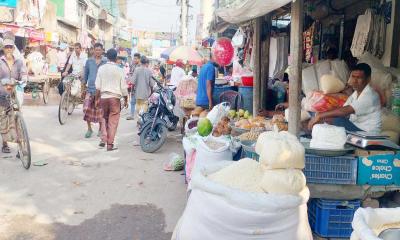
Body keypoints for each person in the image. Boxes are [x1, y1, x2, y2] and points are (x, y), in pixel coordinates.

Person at [308, 63, 381, 133]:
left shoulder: (370, 96)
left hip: (366, 131)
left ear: (368, 79)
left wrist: (320, 116)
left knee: (335, 120)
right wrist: (320, 113)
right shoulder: (355, 94)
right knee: (319, 116)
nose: (354, 81)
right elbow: (342, 109)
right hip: (355, 126)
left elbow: (344, 111)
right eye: (353, 77)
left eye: (359, 78)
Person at [95, 49, 128, 151]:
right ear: (116, 58)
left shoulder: (101, 68)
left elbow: (98, 86)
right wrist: (126, 98)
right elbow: (123, 87)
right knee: (113, 121)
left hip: (104, 97)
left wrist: (96, 99)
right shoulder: (120, 70)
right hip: (115, 98)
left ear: (107, 57)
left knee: (104, 119)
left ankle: (103, 139)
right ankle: (110, 145)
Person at [0, 39, 27, 153]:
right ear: (3, 49)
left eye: (11, 47)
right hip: (2, 94)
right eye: (7, 47)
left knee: (18, 120)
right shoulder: (0, 62)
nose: (9, 49)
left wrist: (24, 79)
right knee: (3, 121)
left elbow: (23, 73)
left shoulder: (19, 62)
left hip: (15, 94)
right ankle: (5, 143)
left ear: (13, 48)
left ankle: (21, 146)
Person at [82, 43, 107, 139]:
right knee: (86, 109)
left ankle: (100, 129)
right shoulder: (89, 61)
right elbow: (85, 75)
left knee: (101, 111)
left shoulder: (105, 61)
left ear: (102, 51)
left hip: (101, 90)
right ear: (93, 50)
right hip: (90, 89)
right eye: (96, 50)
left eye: (99, 50)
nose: (97, 52)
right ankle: (89, 129)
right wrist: (83, 88)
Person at [126, 53, 141, 120]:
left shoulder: (140, 66)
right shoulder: (132, 65)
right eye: (134, 58)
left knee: (139, 102)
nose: (134, 60)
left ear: (139, 59)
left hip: (139, 86)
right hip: (133, 85)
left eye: (136, 58)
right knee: (132, 101)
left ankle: (140, 117)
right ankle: (132, 115)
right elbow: (130, 73)